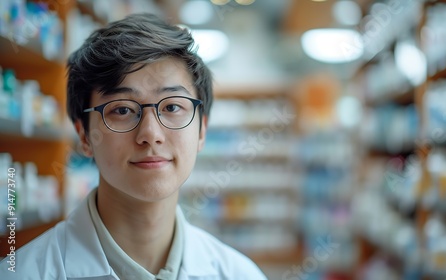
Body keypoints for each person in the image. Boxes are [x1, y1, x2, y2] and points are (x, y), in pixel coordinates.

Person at [0, 13, 267, 280]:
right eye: (123, 109)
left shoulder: (239, 274)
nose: (150, 134)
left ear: (202, 130)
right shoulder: (22, 273)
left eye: (172, 106)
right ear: (84, 135)